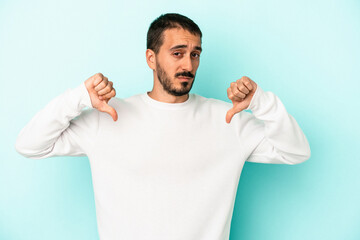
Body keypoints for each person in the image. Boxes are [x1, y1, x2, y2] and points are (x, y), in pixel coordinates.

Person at [15, 13, 310, 240]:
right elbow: (29, 144)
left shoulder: (228, 120)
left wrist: (261, 103)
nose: (189, 65)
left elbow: (296, 151)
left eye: (195, 54)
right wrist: (78, 97)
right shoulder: (109, 118)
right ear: (151, 58)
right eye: (178, 52)